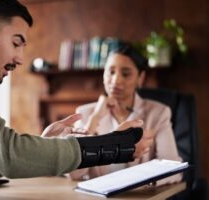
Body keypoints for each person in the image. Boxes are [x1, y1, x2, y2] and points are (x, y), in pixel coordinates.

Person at [0, 1, 154, 199]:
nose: (20, 59)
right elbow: (7, 154)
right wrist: (116, 145)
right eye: (16, 43)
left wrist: (42, 142)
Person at [68, 43, 183, 186]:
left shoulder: (158, 113)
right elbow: (74, 173)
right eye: (111, 72)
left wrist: (144, 182)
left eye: (126, 74)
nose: (116, 80)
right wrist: (95, 117)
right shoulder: (85, 114)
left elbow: (173, 169)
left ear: (140, 78)